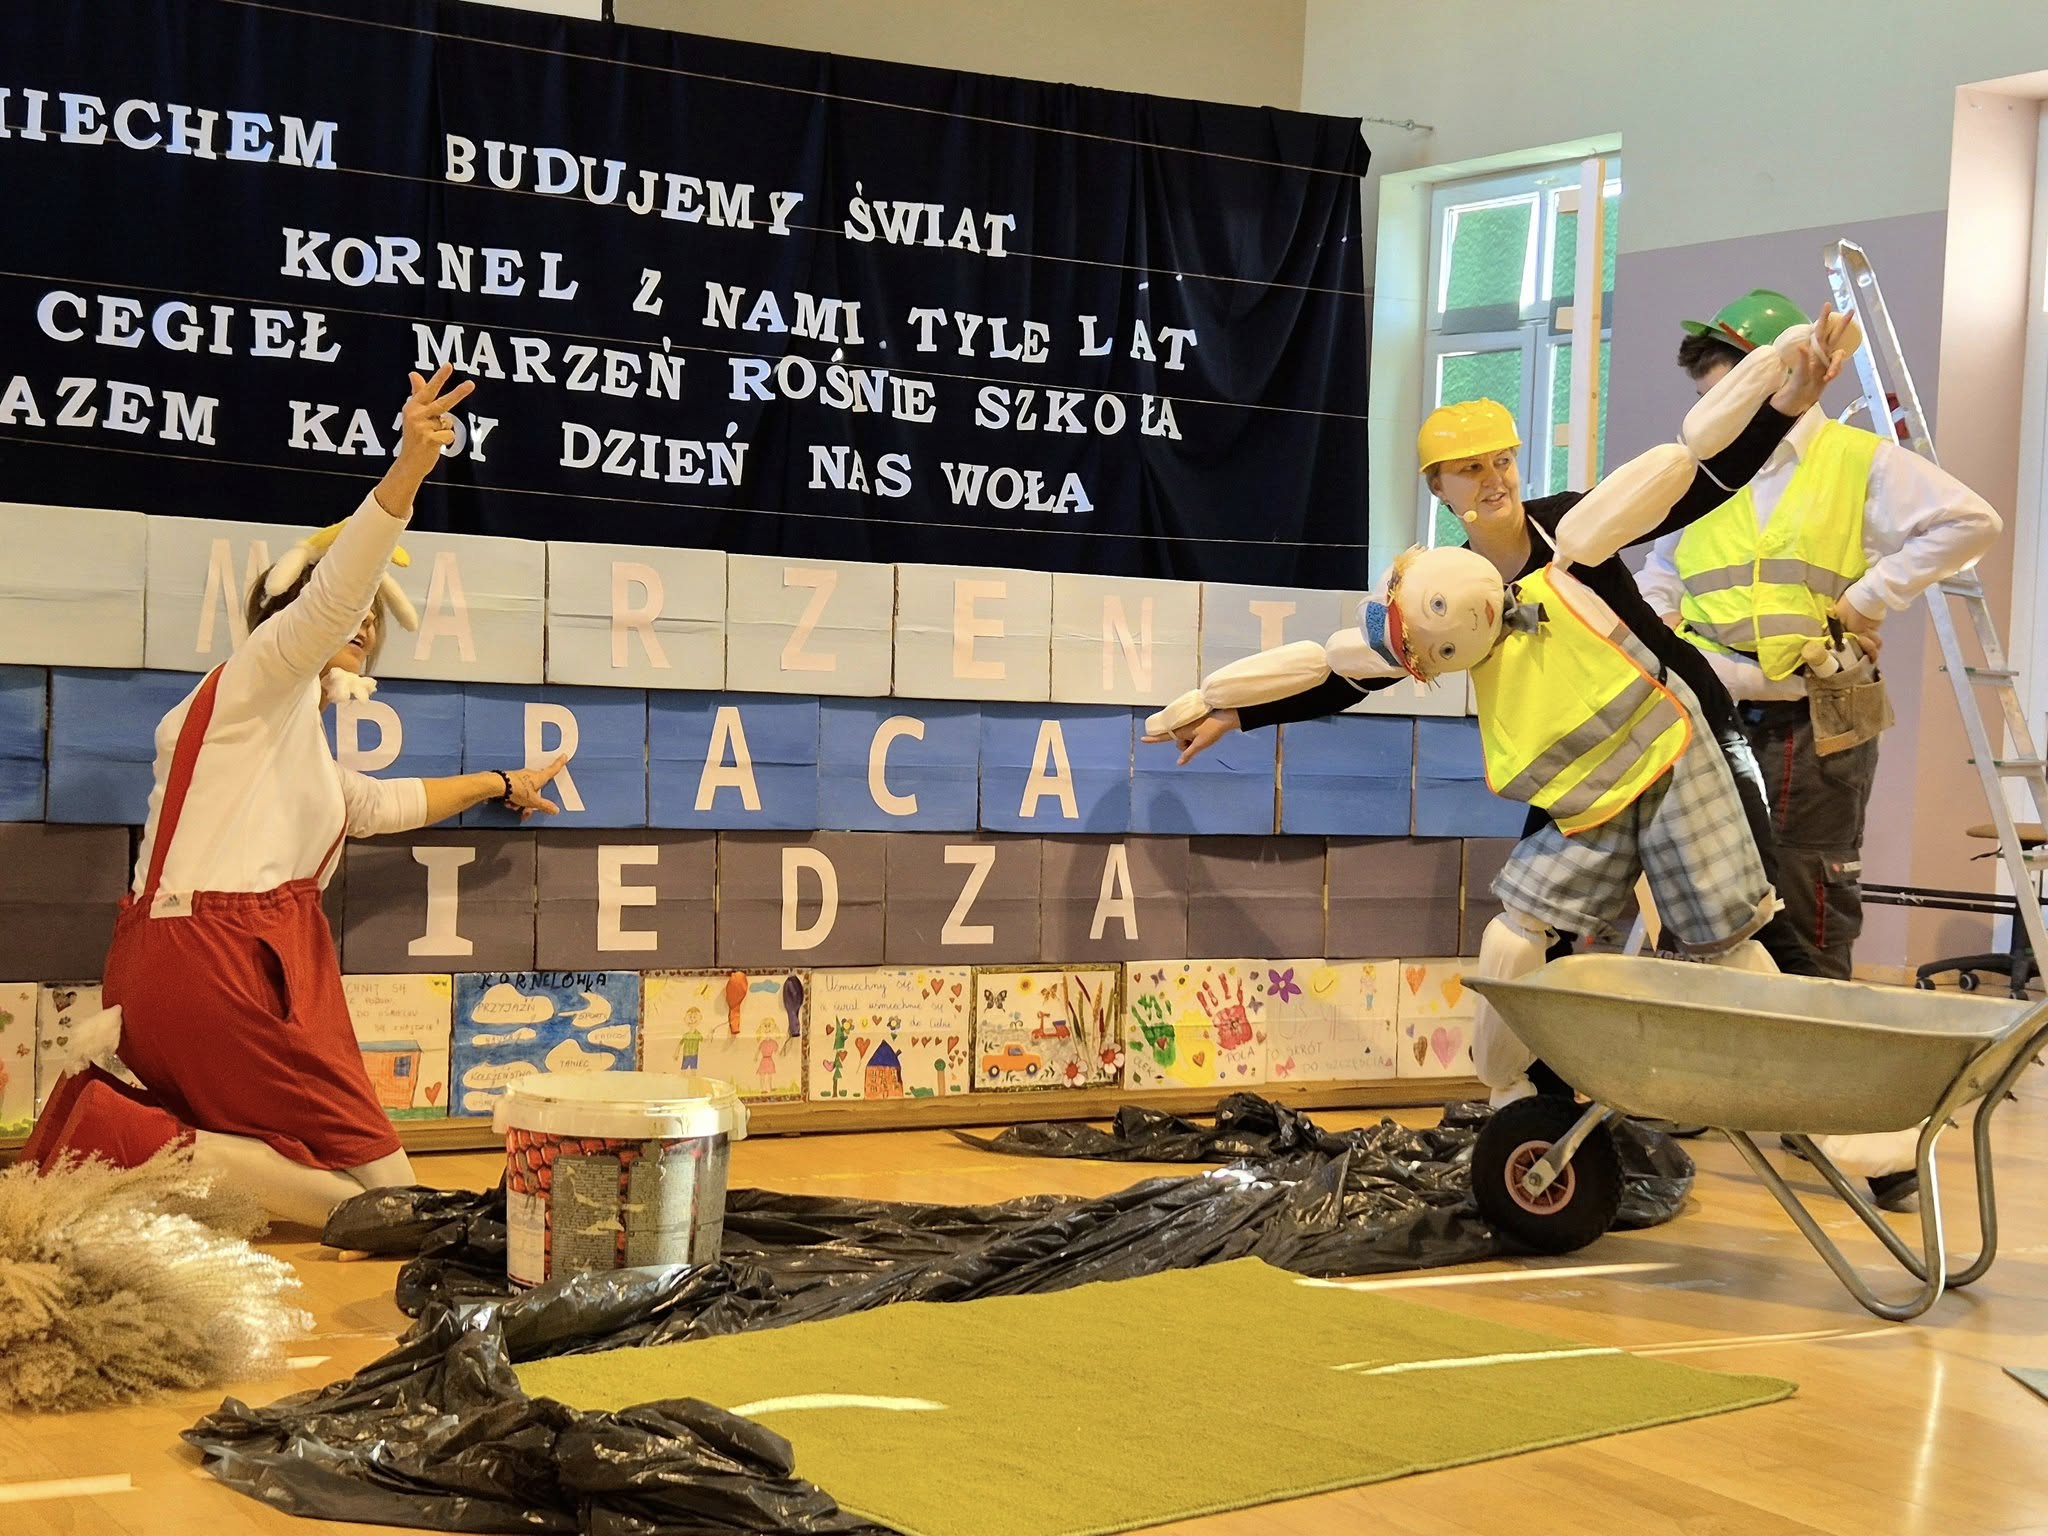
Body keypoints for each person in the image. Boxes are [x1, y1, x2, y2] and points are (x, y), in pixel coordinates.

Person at [1146, 311, 1857, 1131]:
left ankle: (1845, 1099)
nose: (1492, 480)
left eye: (1502, 461)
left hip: (1681, 735)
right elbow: (1352, 672)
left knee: (1750, 914)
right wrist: (1236, 707)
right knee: (1527, 938)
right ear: (1438, 489)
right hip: (1578, 773)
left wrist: (1784, 403)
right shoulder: (1442, 589)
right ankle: (1534, 1109)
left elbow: (1702, 481)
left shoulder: (1572, 526)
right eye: (1468, 469)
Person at [25, 367, 569, 1229]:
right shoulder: (255, 682)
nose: (361, 625)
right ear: (287, 616)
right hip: (223, 955)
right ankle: (119, 1138)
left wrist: (503, 783)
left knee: (376, 1191)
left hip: (203, 955)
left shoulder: (283, 747)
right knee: (393, 1200)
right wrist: (409, 469)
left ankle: (126, 1138)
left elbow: (382, 805)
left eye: (371, 622)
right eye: (347, 613)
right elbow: (331, 600)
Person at [1639, 288, 2002, 979]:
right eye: (1706, 400)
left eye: (1727, 396)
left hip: (1810, 720)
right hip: (1712, 716)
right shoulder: (1702, 467)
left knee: (1805, 903)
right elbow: (1664, 569)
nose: (1714, 416)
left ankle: (1810, 1039)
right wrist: (1656, 628)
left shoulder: (1855, 460)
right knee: (1704, 900)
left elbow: (1971, 522)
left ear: (1783, 377)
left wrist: (1868, 598)